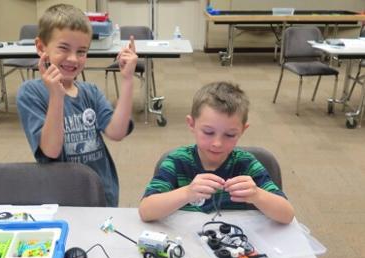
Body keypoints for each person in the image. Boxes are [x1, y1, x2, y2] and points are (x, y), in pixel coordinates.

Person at [17, 4, 138, 207]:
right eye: (64, 48)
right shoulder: (30, 93)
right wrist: (57, 96)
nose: (73, 59)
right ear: (41, 47)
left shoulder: (90, 91)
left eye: (81, 51)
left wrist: (127, 80)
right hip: (61, 198)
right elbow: (51, 151)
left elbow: (117, 133)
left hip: (100, 193)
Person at [139, 82, 294, 224]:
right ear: (191, 124)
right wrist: (187, 193)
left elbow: (287, 215)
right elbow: (146, 211)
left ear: (242, 131)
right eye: (208, 132)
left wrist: (257, 195)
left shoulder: (246, 164)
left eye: (230, 135)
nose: (217, 143)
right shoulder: (177, 161)